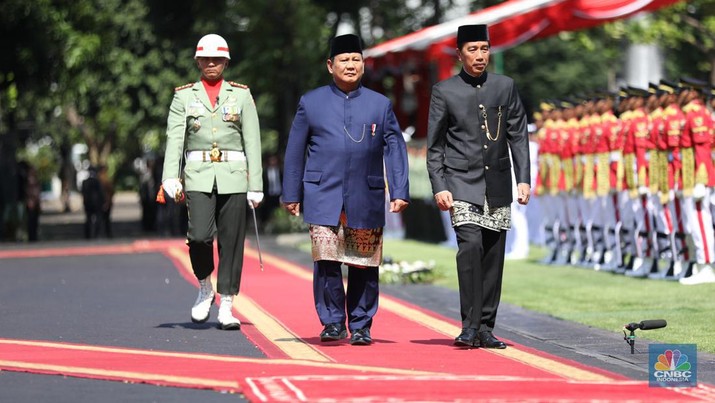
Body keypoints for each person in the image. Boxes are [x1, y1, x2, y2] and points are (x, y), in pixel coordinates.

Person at [282, 34, 410, 346]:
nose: (350, 65)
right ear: (330, 65)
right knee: (326, 261)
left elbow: (395, 148)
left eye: (356, 60)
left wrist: (400, 190)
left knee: (364, 263)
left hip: (365, 193)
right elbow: (295, 151)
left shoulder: (380, 105)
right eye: (344, 60)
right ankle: (332, 322)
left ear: (364, 65)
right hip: (322, 193)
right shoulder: (310, 103)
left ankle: (362, 324)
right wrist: (291, 194)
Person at [426, 24, 530, 349]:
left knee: (493, 257)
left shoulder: (505, 87)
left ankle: (486, 328)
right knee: (470, 248)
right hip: (460, 184)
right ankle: (469, 326)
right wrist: (439, 185)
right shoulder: (444, 91)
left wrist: (523, 178)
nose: (480, 56)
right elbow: (435, 147)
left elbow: (518, 135)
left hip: (498, 184)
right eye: (473, 50)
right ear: (459, 54)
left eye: (484, 49)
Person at [161, 33, 263, 330]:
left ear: (226, 62)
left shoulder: (241, 95)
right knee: (199, 236)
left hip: (234, 175)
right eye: (205, 58)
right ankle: (205, 285)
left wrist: (255, 183)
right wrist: (170, 175)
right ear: (197, 61)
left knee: (232, 240)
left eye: (217, 59)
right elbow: (175, 137)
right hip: (198, 174)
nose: (211, 63)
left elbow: (253, 141)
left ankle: (227, 303)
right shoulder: (184, 96)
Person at [81, 166, 104, 239]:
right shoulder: (98, 181)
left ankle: (88, 235)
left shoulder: (85, 182)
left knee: (88, 219)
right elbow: (101, 193)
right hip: (97, 203)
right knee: (98, 219)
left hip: (87, 203)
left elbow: (83, 193)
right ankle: (96, 234)